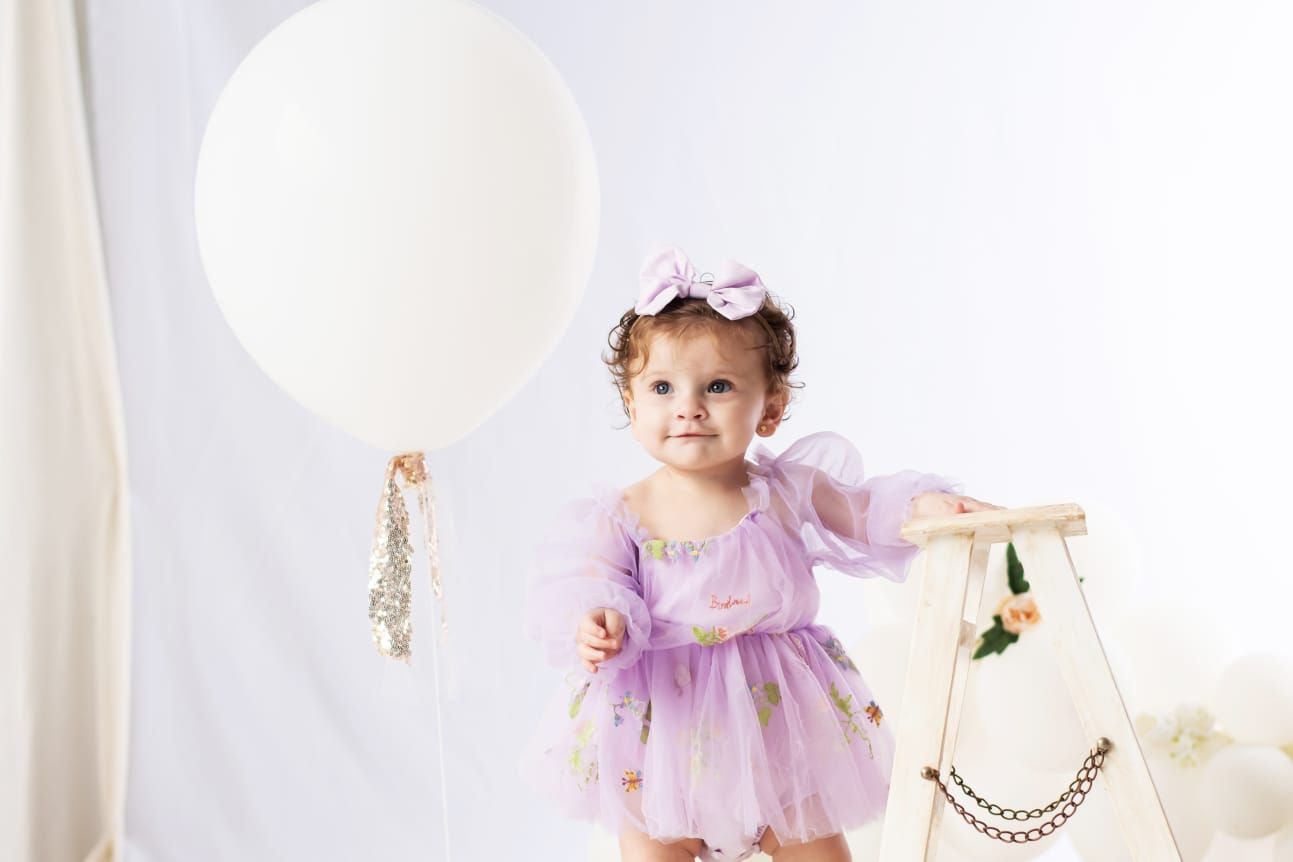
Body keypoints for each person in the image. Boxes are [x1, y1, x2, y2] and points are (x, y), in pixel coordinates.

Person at [521, 247, 1000, 861]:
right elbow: (590, 581)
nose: (688, 406)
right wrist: (598, 619)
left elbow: (860, 509)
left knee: (815, 850)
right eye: (663, 387)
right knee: (652, 847)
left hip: (779, 726)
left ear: (770, 407)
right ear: (631, 405)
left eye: (717, 386)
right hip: (660, 727)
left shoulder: (784, 490)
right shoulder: (622, 514)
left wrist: (921, 508)